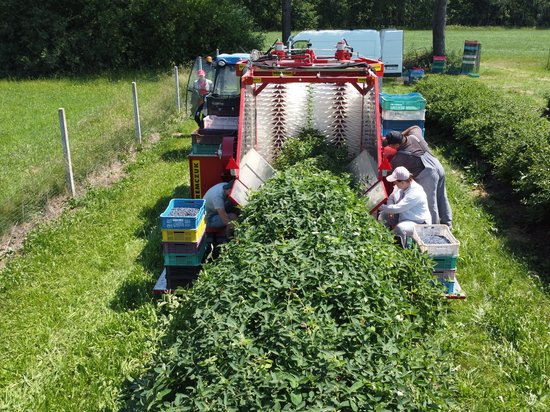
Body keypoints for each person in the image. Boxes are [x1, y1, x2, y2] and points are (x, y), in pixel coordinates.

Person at [382, 125, 453, 229]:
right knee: (442, 196)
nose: (389, 147)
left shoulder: (400, 157)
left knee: (430, 203)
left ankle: (433, 230)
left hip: (427, 174)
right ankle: (448, 224)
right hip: (437, 166)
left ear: (397, 145)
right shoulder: (414, 136)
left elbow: (391, 172)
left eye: (391, 145)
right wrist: (402, 134)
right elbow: (415, 127)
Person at [378, 166, 432, 242]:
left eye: (395, 182)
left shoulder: (415, 192)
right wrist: (390, 210)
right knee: (383, 216)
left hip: (418, 222)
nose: (394, 183)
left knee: (400, 228)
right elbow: (391, 197)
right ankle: (383, 239)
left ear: (402, 182)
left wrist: (380, 206)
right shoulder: (400, 187)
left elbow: (398, 208)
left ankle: (400, 249)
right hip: (404, 215)